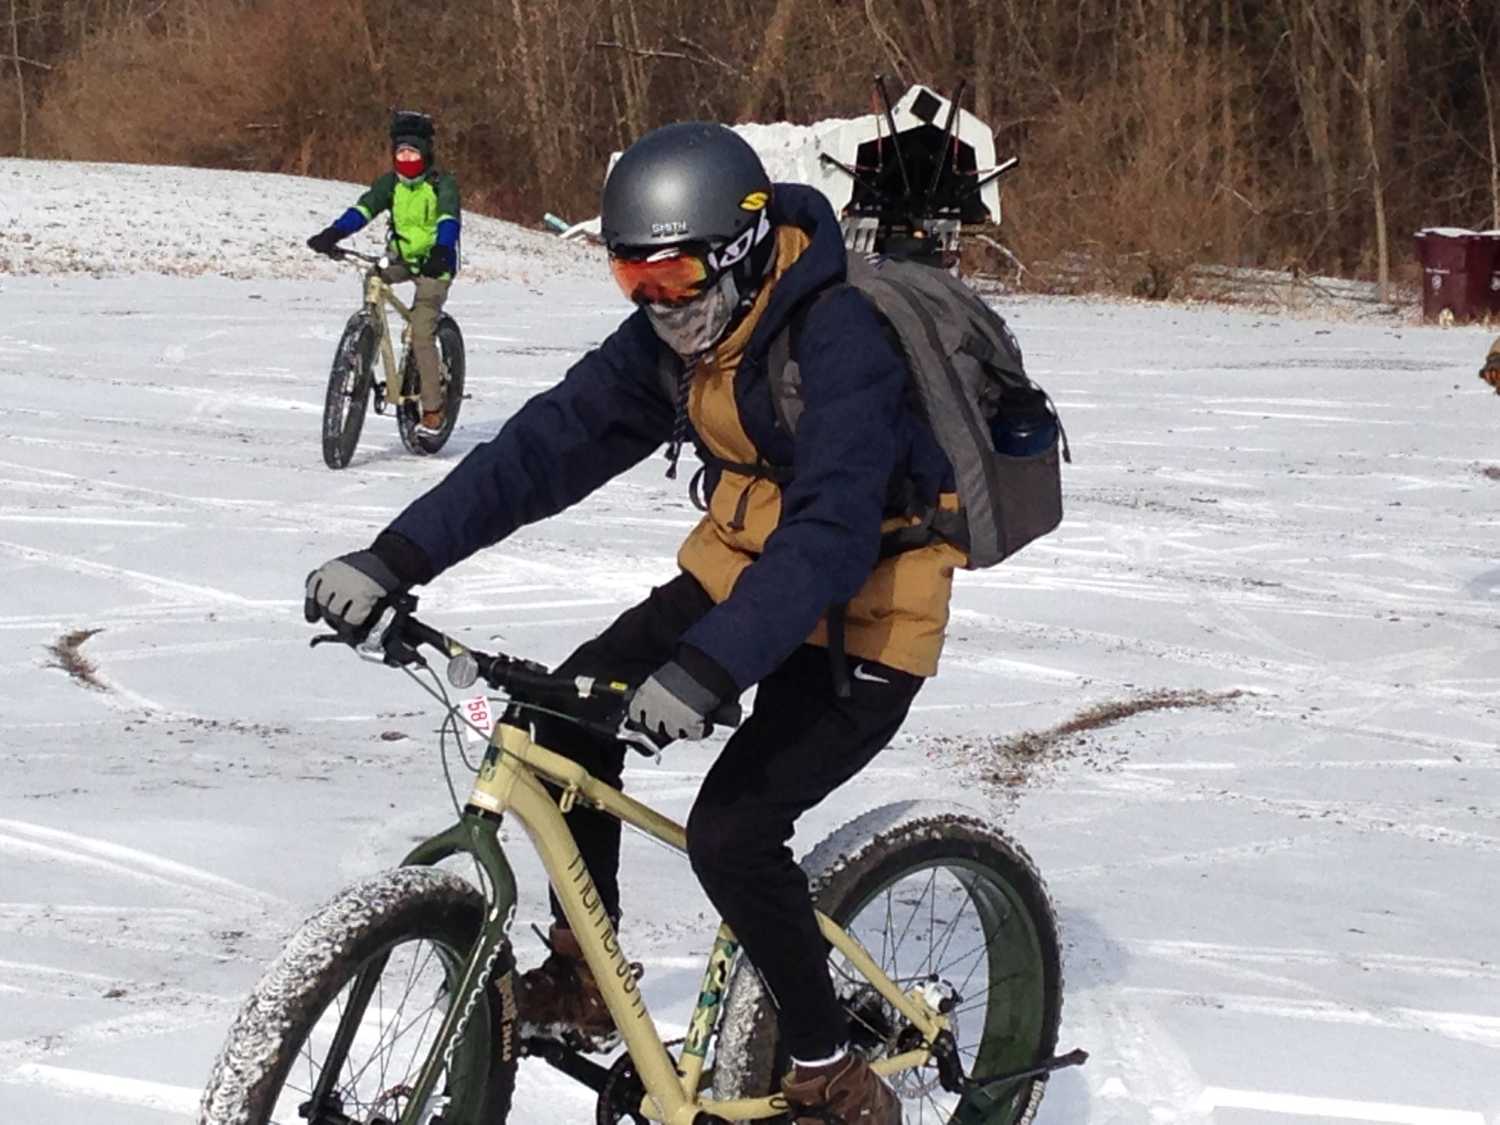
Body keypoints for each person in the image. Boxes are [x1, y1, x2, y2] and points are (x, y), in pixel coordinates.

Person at [304, 121, 970, 1125]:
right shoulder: (678, 337)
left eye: (676, 277)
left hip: (872, 612)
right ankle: (586, 976)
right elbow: (544, 447)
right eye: (633, 280)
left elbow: (832, 533)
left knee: (733, 832)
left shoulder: (840, 337)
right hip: (740, 576)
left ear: (745, 249)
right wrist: (396, 557)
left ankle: (828, 1065)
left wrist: (708, 667)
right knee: (557, 724)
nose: (660, 305)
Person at [307, 110, 461, 433]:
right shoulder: (390, 184)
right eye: (401, 153)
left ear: (425, 154)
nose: (406, 159)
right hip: (401, 259)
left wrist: (443, 250)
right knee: (374, 278)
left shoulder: (441, 184)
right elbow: (363, 209)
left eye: (413, 153)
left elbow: (448, 220)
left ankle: (434, 408)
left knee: (422, 332)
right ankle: (369, 338)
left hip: (436, 264)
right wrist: (334, 233)